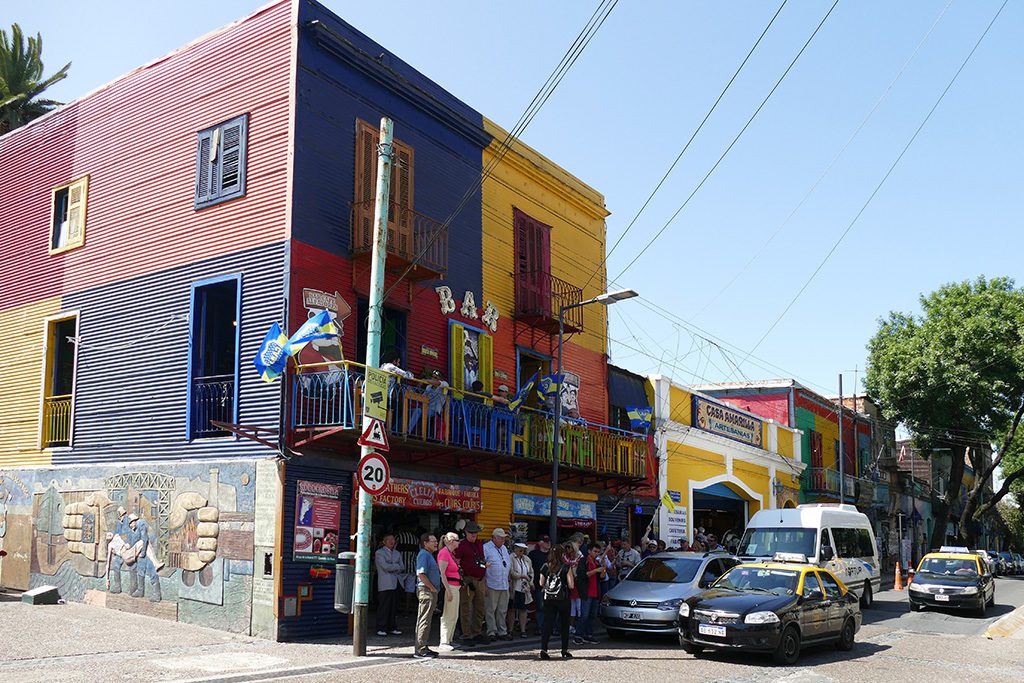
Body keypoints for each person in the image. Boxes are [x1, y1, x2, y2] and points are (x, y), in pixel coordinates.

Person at [539, 543, 575, 660]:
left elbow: (541, 583)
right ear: (562, 555)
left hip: (549, 599)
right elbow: (571, 585)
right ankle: (564, 649)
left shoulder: (545, 566)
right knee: (564, 624)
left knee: (548, 623)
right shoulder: (566, 567)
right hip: (563, 598)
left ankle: (544, 648)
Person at [454, 521, 488, 645]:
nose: (474, 535)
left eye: (475, 532)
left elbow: (482, 560)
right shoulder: (461, 545)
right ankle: (466, 634)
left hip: (479, 579)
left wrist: (484, 576)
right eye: (471, 532)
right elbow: (457, 563)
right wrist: (463, 580)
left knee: (480, 608)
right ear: (466, 533)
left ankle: (477, 632)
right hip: (467, 580)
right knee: (466, 608)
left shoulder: (479, 544)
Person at [414, 533, 440, 659]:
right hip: (426, 591)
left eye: (436, 541)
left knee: (427, 620)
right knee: (424, 619)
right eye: (433, 541)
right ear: (425, 543)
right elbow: (421, 573)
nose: (436, 543)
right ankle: (420, 650)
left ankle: (424, 646)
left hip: (429, 591)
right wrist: (432, 587)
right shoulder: (424, 554)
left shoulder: (429, 555)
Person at [483, 527, 512, 641]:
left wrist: (509, 580)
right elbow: (483, 566)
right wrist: (484, 583)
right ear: (494, 538)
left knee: (502, 609)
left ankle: (502, 631)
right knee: (490, 609)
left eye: (504, 538)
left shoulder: (504, 548)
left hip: (504, 583)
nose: (503, 540)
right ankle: (491, 632)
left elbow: (507, 565)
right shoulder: (486, 548)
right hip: (491, 583)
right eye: (500, 538)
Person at [375, 534, 405, 637]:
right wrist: (396, 566)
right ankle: (381, 627)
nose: (392, 542)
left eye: (393, 539)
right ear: (384, 541)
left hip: (396, 582)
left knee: (393, 606)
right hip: (385, 582)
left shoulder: (397, 553)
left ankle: (392, 627)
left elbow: (402, 566)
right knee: (384, 606)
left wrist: (394, 566)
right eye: (389, 540)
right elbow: (385, 567)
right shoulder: (379, 553)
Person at [437, 532, 462, 652]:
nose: (459, 542)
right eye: (457, 540)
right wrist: (448, 590)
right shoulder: (444, 553)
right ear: (451, 541)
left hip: (455, 586)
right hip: (450, 586)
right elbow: (442, 573)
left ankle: (449, 639)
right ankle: (444, 641)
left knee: (454, 615)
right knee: (448, 615)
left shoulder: (450, 553)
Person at [575, 544, 603, 644]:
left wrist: (602, 569)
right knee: (584, 615)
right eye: (595, 551)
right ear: (589, 551)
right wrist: (596, 570)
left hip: (595, 592)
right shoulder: (583, 561)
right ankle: (578, 635)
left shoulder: (597, 562)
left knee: (592, 615)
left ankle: (588, 634)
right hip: (586, 592)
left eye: (598, 552)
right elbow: (582, 575)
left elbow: (601, 577)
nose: (596, 554)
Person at [509, 542, 534, 637]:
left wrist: (530, 582)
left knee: (523, 609)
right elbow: (511, 572)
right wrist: (521, 576)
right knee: (512, 609)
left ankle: (523, 630)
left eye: (524, 550)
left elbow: (531, 572)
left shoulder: (527, 559)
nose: (522, 551)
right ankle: (510, 630)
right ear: (515, 549)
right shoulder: (511, 558)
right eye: (520, 549)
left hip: (524, 588)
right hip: (514, 587)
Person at [527, 536, 551, 634]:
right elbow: (529, 569)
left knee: (551, 607)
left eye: (549, 541)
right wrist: (530, 583)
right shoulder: (533, 554)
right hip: (538, 585)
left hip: (552, 585)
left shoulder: (552, 554)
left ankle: (550, 627)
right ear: (540, 543)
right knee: (540, 607)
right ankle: (540, 627)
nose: (548, 543)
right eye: (545, 541)